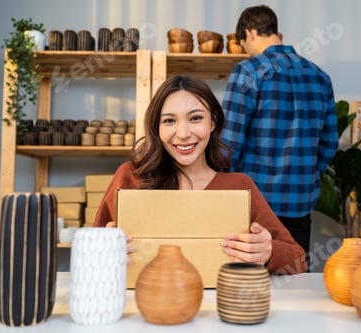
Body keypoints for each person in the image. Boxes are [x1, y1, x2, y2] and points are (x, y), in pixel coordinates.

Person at [94, 75, 307, 274]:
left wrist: (268, 252)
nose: (184, 134)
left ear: (212, 122)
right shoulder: (131, 177)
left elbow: (298, 260)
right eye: (169, 121)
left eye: (195, 118)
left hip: (219, 308)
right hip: (145, 307)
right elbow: (92, 251)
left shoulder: (239, 186)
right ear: (156, 127)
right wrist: (103, 252)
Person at [221, 5, 339, 257]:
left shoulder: (249, 71)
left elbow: (229, 143)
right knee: (294, 273)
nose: (246, 52)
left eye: (243, 44)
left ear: (250, 33)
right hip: (300, 202)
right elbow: (329, 143)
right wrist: (306, 173)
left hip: (255, 203)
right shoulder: (320, 76)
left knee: (250, 278)